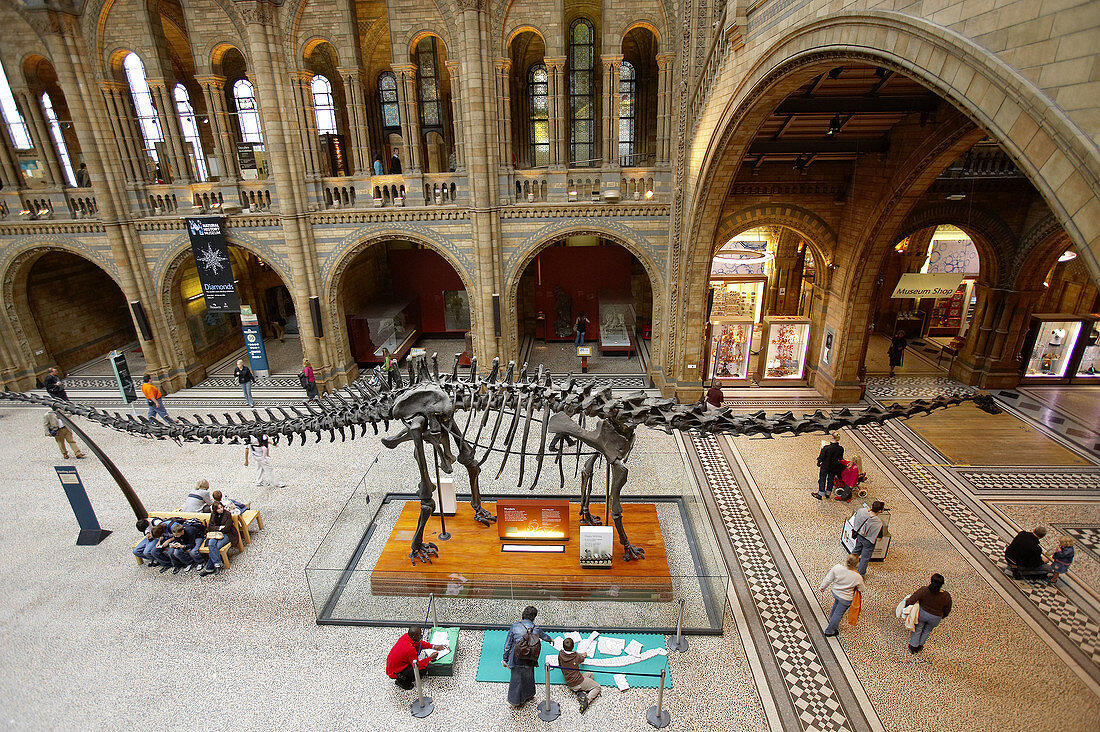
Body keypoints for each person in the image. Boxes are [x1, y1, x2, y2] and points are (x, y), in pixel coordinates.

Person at [502, 606, 552, 707]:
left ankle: (515, 701)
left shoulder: (515, 626)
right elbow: (544, 636)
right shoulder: (536, 628)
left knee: (516, 679)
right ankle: (529, 695)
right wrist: (551, 640)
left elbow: (507, 645)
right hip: (530, 657)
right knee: (529, 677)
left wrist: (505, 659)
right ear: (533, 617)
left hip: (516, 657)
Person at [902, 573, 952, 653]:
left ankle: (913, 646)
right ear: (942, 584)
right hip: (936, 618)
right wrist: (943, 616)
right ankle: (920, 646)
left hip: (922, 614)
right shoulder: (946, 596)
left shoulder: (924, 590)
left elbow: (912, 599)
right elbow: (947, 609)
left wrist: (906, 605)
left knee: (918, 628)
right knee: (927, 631)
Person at [819, 553, 864, 637]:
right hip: (846, 598)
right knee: (839, 614)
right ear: (857, 564)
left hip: (835, 592)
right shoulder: (857, 577)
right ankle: (830, 630)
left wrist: (822, 587)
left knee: (836, 604)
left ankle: (831, 619)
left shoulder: (837, 568)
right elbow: (862, 588)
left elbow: (828, 579)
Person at [557, 637, 601, 713]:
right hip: (577, 681)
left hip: (568, 680)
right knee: (597, 687)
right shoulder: (575, 656)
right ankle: (587, 701)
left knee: (590, 675)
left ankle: (579, 692)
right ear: (573, 646)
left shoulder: (560, 654)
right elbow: (581, 659)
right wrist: (584, 655)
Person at [199, 501, 239, 576]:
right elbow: (210, 527)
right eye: (218, 508)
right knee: (211, 544)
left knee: (215, 547)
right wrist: (220, 528)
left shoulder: (227, 514)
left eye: (221, 507)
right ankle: (217, 564)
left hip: (227, 534)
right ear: (215, 510)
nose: (220, 509)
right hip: (215, 534)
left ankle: (209, 568)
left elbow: (227, 528)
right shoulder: (213, 515)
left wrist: (217, 528)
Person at [851, 501, 885, 576]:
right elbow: (879, 539)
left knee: (856, 550)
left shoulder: (862, 511)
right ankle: (860, 575)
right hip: (869, 541)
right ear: (880, 511)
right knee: (865, 558)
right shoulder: (878, 523)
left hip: (859, 536)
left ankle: (849, 566)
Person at [813, 433, 844, 499]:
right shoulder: (840, 449)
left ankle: (821, 493)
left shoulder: (826, 448)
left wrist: (819, 462)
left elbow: (821, 457)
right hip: (834, 466)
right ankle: (828, 493)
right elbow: (840, 458)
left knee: (822, 479)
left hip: (825, 466)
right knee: (831, 479)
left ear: (832, 438)